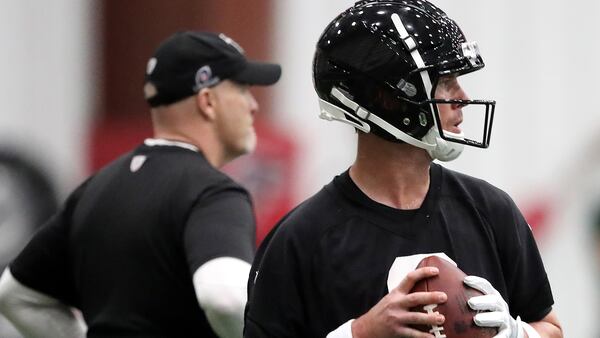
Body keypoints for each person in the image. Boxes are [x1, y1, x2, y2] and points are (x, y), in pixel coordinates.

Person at [244, 1, 562, 338]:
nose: (463, 97)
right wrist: (360, 333)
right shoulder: (301, 240)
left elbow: (552, 327)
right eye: (446, 81)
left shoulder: (491, 211)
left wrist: (516, 333)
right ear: (389, 98)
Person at [0, 30, 281, 338]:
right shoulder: (213, 193)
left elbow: (17, 295)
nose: (253, 105)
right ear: (208, 101)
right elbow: (225, 298)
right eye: (242, 89)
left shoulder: (93, 190)